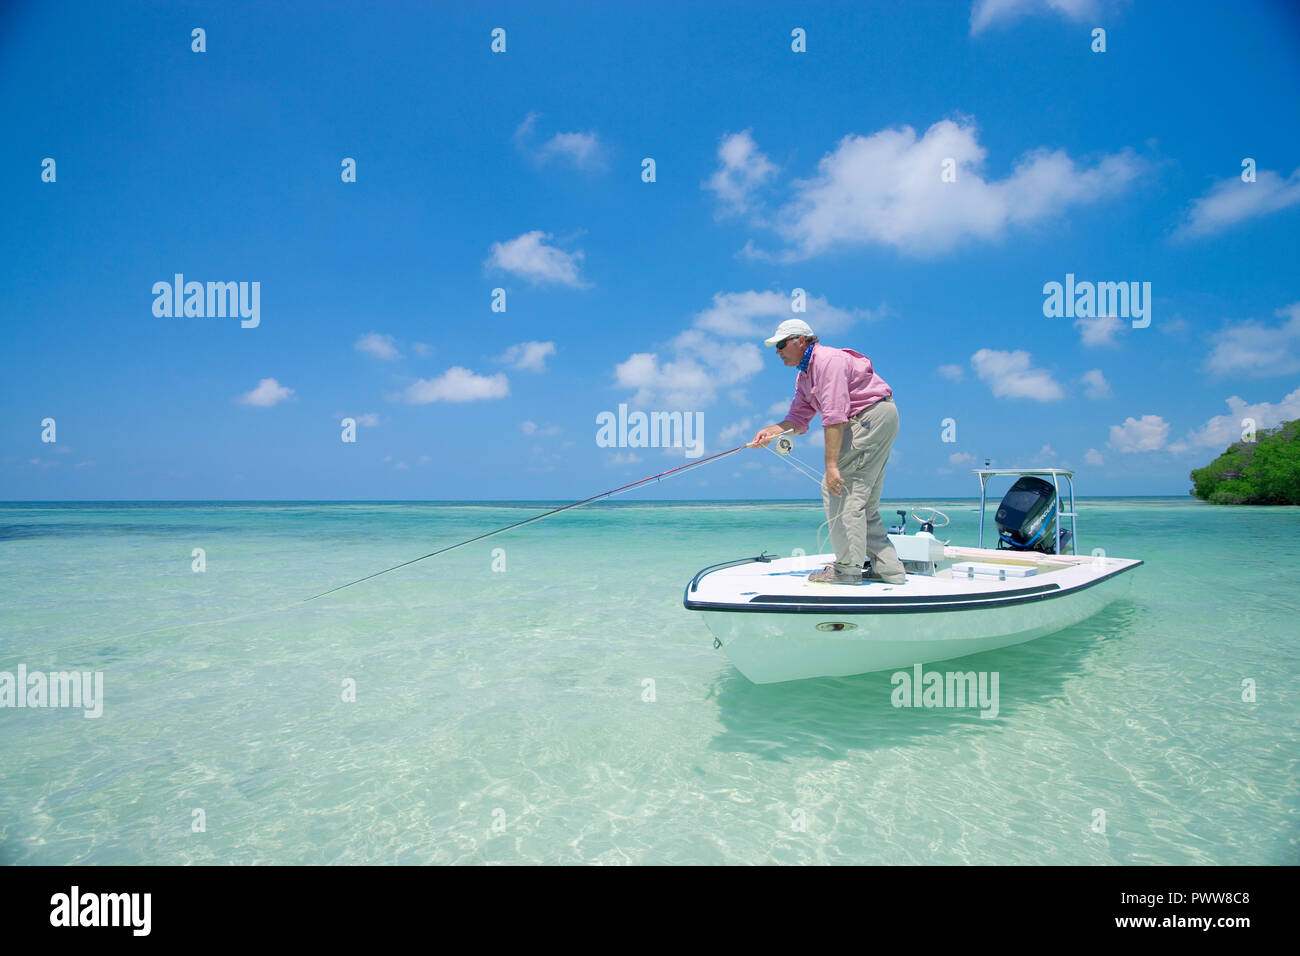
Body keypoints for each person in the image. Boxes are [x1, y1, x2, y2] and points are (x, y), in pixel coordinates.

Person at [751, 319, 906, 585]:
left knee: (838, 489)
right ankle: (888, 568)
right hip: (878, 416)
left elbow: (835, 415)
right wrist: (771, 431)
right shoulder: (804, 376)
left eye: (781, 344)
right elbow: (797, 421)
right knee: (863, 501)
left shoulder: (827, 361)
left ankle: (847, 570)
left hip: (867, 417)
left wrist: (832, 466)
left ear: (801, 340)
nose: (777, 351)